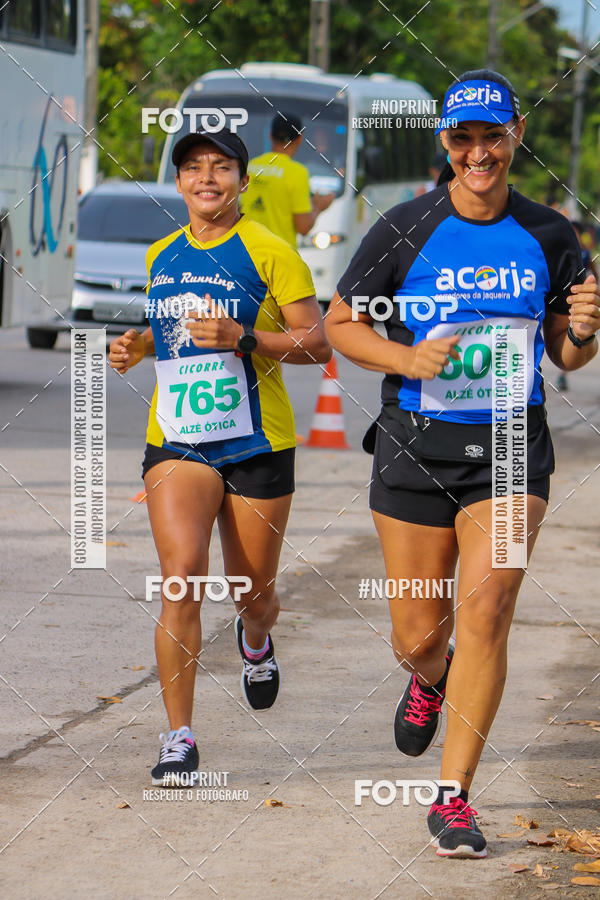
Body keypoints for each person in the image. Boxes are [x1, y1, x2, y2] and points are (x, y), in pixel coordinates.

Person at [325, 69, 600, 858]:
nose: (478, 151)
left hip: (515, 446)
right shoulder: (405, 227)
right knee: (418, 633)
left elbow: (567, 355)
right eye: (462, 137)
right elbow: (342, 324)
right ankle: (429, 674)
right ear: (445, 143)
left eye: (492, 134)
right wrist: (406, 361)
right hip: (415, 445)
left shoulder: (553, 236)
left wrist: (582, 328)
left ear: (516, 134)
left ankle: (453, 797)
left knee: (489, 611)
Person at [108, 127, 330, 785]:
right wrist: (139, 346)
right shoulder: (160, 255)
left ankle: (256, 638)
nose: (207, 178)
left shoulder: (270, 251)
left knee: (251, 592)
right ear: (178, 182)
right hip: (177, 438)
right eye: (194, 168)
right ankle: (179, 737)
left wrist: (244, 338)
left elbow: (317, 344)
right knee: (181, 576)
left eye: (222, 167)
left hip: (257, 441)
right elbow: (171, 331)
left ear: (241, 179)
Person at [241, 112, 334, 248]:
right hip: (279, 256)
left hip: (247, 250)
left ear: (270, 135)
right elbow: (303, 228)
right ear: (299, 139)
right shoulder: (297, 173)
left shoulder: (251, 165)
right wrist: (318, 207)